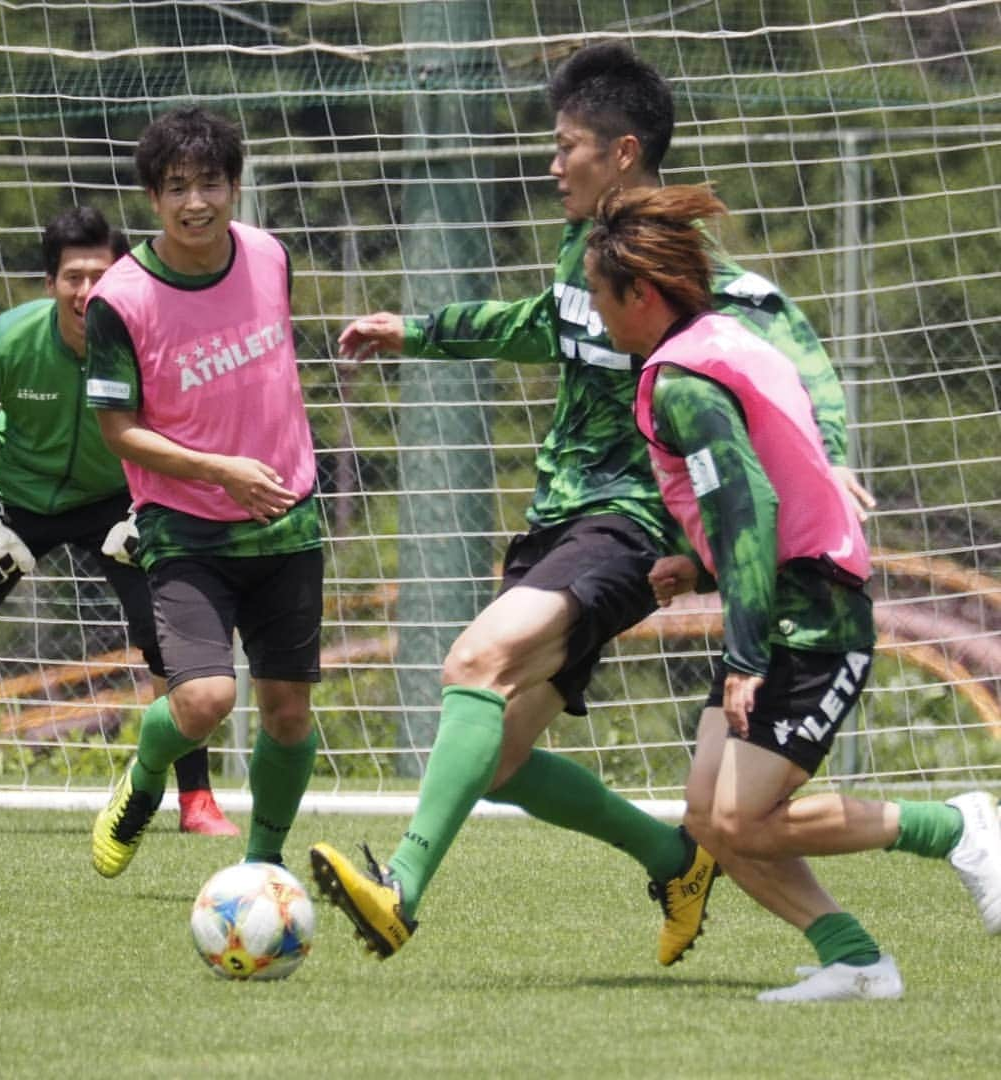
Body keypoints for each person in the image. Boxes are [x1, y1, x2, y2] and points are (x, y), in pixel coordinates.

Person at [309, 42, 871, 964]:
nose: (551, 159)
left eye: (566, 143)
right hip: (561, 514)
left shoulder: (683, 263)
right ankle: (674, 857)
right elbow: (543, 323)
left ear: (621, 153)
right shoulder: (586, 250)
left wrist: (833, 453)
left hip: (633, 522)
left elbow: (786, 334)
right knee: (495, 763)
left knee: (476, 660)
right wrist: (414, 330)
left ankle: (400, 889)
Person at [583, 181, 1001, 1002]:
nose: (597, 316)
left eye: (601, 297)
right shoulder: (715, 341)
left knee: (742, 820)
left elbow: (749, 511)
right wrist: (698, 568)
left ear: (641, 293)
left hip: (809, 618)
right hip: (779, 602)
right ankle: (853, 960)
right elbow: (772, 487)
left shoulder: (683, 384)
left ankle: (959, 827)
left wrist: (740, 653)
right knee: (709, 816)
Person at [0, 205, 238, 837]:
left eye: (101, 273)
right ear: (50, 284)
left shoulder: (149, 348)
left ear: (124, 277)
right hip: (10, 500)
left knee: (171, 642)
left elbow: (182, 428)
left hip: (115, 502)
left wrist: (149, 503)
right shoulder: (7, 341)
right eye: (72, 276)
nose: (86, 289)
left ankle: (196, 799)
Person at [84, 107, 322, 878]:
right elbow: (118, 429)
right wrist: (222, 470)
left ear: (235, 186)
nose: (196, 202)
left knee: (288, 713)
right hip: (186, 526)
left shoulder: (269, 254)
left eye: (211, 184)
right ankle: (145, 776)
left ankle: (261, 867)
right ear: (152, 198)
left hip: (287, 516)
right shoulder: (120, 300)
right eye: (177, 187)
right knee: (204, 702)